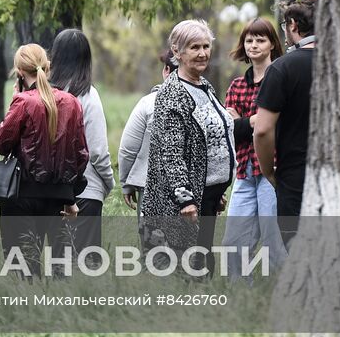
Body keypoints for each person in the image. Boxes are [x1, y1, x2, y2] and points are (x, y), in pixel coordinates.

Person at [144, 20, 235, 276]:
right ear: (177, 51)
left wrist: (217, 183)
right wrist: (185, 199)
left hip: (208, 192)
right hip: (185, 198)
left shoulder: (204, 86)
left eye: (206, 46)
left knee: (203, 260)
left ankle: (202, 309)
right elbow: (171, 151)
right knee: (188, 265)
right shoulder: (172, 93)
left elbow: (210, 138)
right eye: (194, 47)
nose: (203, 53)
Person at [0, 44, 89, 277]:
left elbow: (1, 145)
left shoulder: (23, 102)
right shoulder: (71, 102)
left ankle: (28, 311)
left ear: (19, 72)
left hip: (22, 196)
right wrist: (70, 195)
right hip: (59, 198)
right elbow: (81, 154)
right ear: (48, 67)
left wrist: (12, 107)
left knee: (24, 270)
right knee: (60, 271)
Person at [221, 17, 287, 276]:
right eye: (249, 40)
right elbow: (231, 131)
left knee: (274, 242)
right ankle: (240, 300)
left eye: (261, 40)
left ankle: (291, 294)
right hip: (244, 171)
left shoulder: (281, 77)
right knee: (232, 243)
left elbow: (276, 126)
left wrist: (245, 122)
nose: (254, 45)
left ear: (272, 44)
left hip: (272, 170)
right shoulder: (237, 85)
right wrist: (256, 121)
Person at [253, 0, 317, 242]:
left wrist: (269, 172)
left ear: (292, 25)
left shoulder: (282, 68)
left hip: (294, 176)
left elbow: (262, 130)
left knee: (298, 250)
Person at [49, 29, 114, 259]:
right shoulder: (87, 95)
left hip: (49, 190)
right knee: (84, 266)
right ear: (86, 59)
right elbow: (97, 151)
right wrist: (108, 182)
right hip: (86, 191)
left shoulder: (42, 93)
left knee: (57, 264)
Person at [117, 49, 176, 215]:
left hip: (150, 187)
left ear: (166, 70)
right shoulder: (204, 102)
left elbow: (128, 149)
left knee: (153, 239)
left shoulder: (148, 103)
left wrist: (126, 183)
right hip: (193, 191)